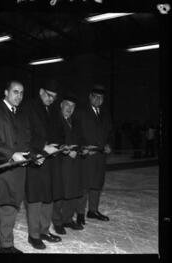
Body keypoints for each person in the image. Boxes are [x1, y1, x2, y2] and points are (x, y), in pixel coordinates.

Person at [0, 80, 30, 253]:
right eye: (15, 91)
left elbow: (27, 140)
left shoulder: (23, 114)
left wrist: (34, 155)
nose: (19, 96)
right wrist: (10, 154)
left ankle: (7, 245)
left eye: (22, 93)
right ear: (6, 92)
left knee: (10, 208)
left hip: (17, 171)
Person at [24, 81, 63, 250]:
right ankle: (33, 235)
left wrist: (58, 144)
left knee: (48, 196)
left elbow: (58, 131)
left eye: (54, 97)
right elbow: (25, 133)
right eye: (48, 95)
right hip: (36, 159)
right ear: (41, 91)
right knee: (35, 198)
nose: (51, 99)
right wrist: (41, 146)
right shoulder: (29, 107)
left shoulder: (52, 109)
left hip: (50, 160)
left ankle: (44, 230)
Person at [77, 84, 112, 226]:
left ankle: (93, 210)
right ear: (90, 97)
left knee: (97, 183)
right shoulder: (81, 112)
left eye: (101, 97)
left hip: (101, 156)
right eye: (95, 97)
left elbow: (110, 133)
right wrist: (82, 148)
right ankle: (80, 213)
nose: (98, 100)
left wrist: (110, 144)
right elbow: (76, 133)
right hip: (87, 155)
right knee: (84, 185)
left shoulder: (105, 114)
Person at [52, 94, 84, 235]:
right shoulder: (53, 120)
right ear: (61, 105)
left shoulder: (75, 122)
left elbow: (80, 139)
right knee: (59, 194)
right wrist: (64, 149)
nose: (69, 108)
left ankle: (67, 219)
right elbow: (51, 139)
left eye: (72, 106)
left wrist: (81, 149)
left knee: (71, 192)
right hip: (60, 163)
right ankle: (57, 222)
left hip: (74, 163)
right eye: (67, 105)